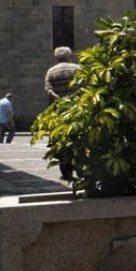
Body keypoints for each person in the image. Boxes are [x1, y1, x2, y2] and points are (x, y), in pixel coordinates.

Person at [44, 47, 81, 179]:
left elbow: (48, 90)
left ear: (56, 58)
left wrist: (59, 100)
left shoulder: (51, 71)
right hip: (78, 110)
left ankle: (66, 172)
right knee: (79, 138)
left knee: (60, 141)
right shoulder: (78, 69)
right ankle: (81, 169)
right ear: (70, 56)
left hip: (59, 113)